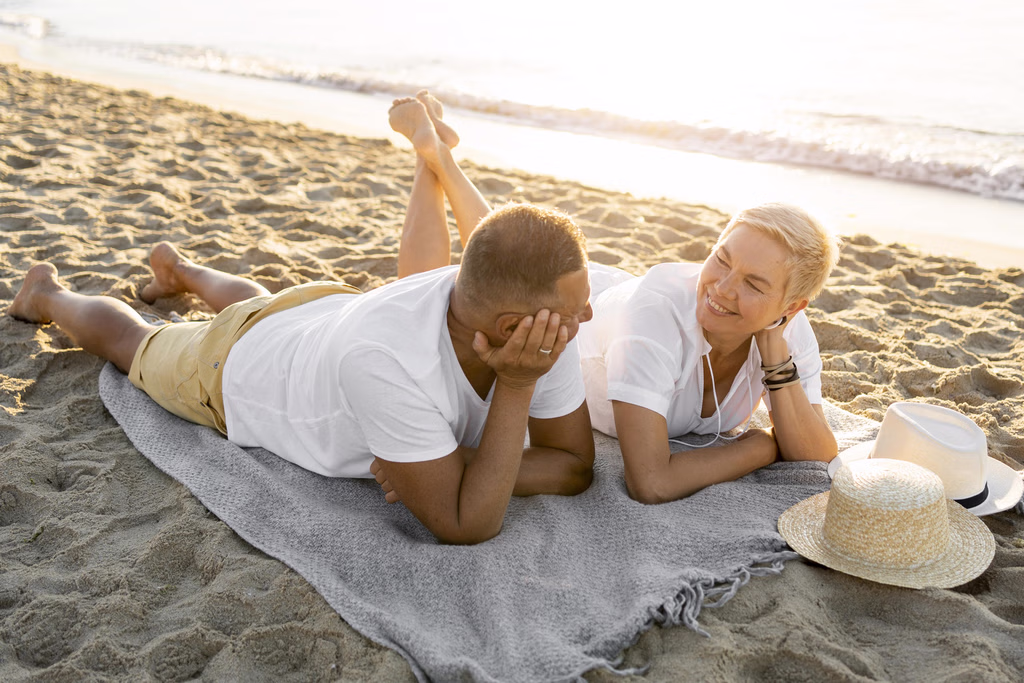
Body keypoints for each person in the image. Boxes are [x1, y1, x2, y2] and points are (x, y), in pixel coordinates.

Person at [6, 92, 595, 545]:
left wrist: (463, 462)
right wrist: (517, 388)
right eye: (574, 308)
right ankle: (48, 293)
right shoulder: (386, 358)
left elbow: (575, 467)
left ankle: (181, 272)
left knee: (260, 304)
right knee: (134, 340)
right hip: (235, 368)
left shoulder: (532, 322)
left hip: (317, 312)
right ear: (514, 326)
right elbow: (467, 522)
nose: (586, 317)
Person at [578, 204, 842, 503]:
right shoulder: (651, 320)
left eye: (753, 284)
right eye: (722, 260)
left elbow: (816, 453)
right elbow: (651, 483)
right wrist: (762, 447)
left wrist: (773, 352)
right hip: (575, 310)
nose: (722, 289)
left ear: (790, 307)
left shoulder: (785, 329)